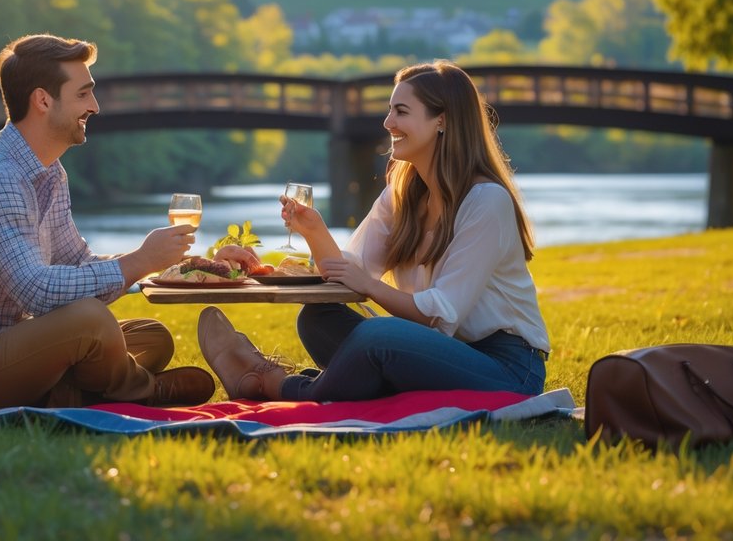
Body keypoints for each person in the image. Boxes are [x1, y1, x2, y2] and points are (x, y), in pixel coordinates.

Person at [198, 60, 549, 402]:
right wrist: (312, 232)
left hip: (506, 367)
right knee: (319, 317)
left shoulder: (486, 201)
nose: (387, 122)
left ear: (441, 120)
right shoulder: (402, 195)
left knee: (378, 335)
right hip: (437, 350)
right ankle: (356, 381)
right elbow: (348, 275)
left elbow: (439, 313)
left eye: (401, 111)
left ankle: (272, 383)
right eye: (389, 110)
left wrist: (369, 286)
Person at [0, 33, 216, 415]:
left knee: (152, 337)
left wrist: (160, 267)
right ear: (42, 100)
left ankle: (72, 395)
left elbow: (76, 261)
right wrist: (136, 261)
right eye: (83, 94)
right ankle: (146, 392)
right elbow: (36, 291)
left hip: (8, 348)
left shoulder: (49, 173)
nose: (96, 107)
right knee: (90, 321)